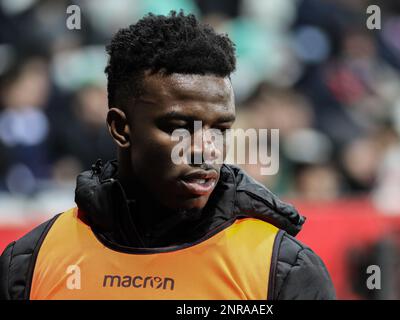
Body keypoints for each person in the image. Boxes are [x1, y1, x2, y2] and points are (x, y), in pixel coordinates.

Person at [0, 11, 335, 300]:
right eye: (180, 128)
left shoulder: (283, 269)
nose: (207, 150)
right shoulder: (30, 262)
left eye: (220, 128)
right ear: (120, 127)